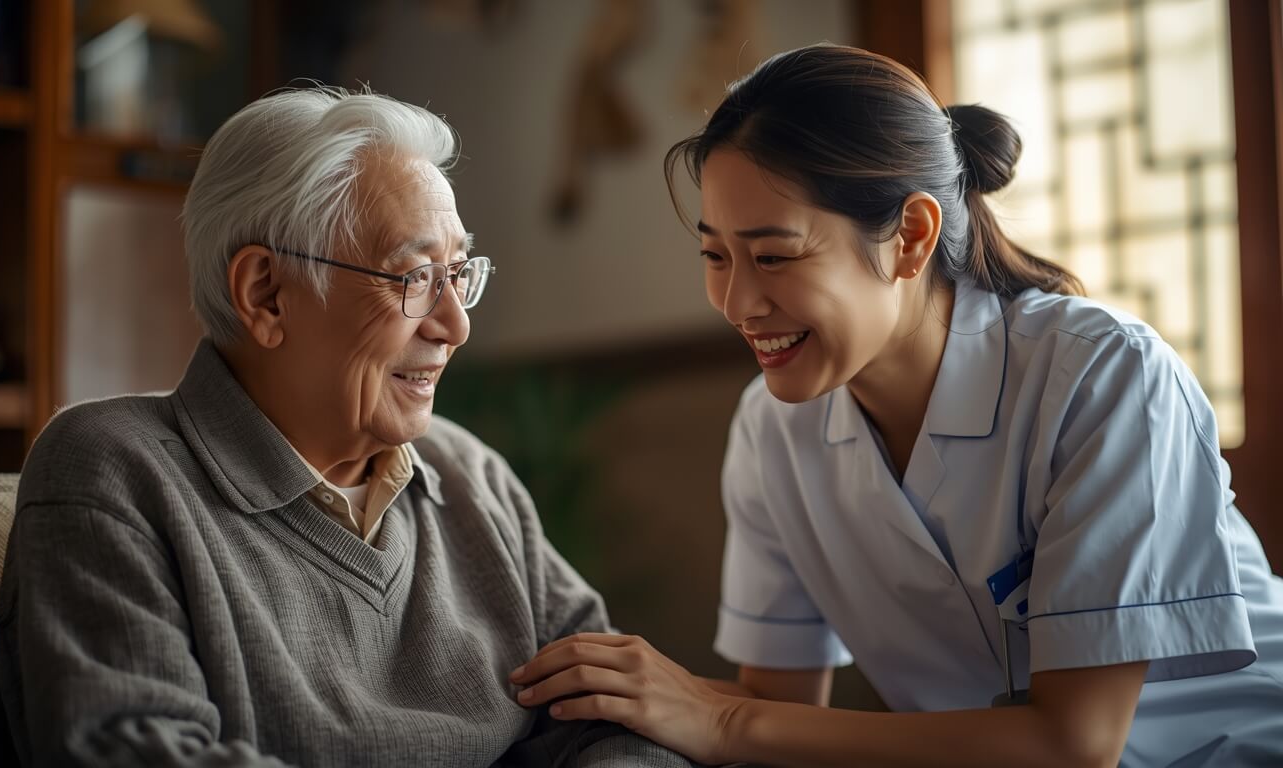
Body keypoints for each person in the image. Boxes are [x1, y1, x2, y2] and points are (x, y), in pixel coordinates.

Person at [510, 44, 1283, 766]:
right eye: (715, 256)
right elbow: (778, 710)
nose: (738, 302)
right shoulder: (772, 428)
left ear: (911, 237)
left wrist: (720, 718)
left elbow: (1074, 745)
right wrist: (637, 689)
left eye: (774, 256)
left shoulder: (1102, 377)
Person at [0, 87, 693, 768]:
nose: (456, 325)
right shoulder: (110, 472)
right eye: (416, 277)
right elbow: (135, 748)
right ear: (265, 294)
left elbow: (631, 719)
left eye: (459, 273)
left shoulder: (472, 477)